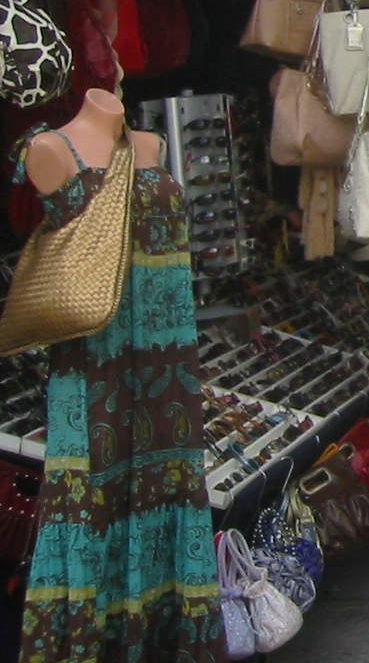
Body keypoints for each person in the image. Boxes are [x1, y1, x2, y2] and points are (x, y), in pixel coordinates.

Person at [18, 90, 223, 659]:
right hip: (93, 371)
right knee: (91, 499)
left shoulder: (149, 145)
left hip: (168, 370)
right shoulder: (50, 149)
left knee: (168, 492)